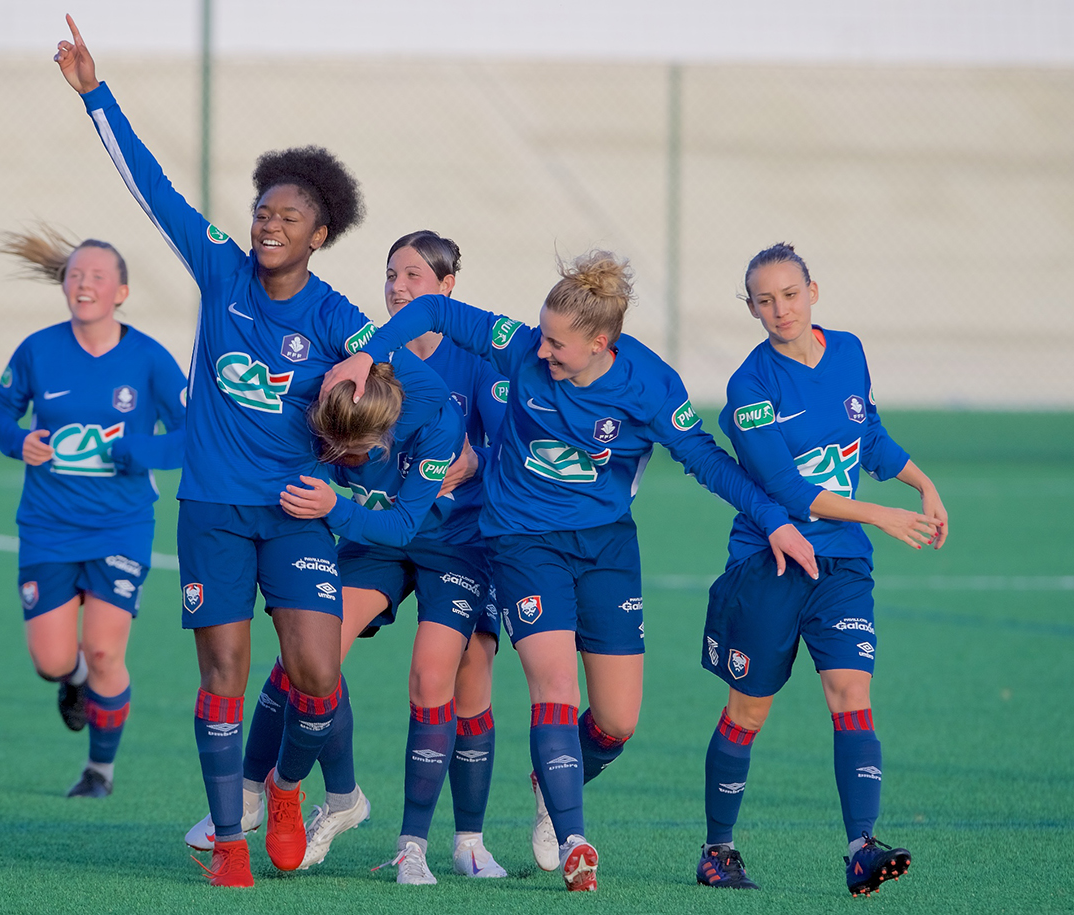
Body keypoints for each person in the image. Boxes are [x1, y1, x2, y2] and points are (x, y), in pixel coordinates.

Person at [54, 15, 441, 887]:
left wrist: (368, 360)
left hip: (297, 512)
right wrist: (94, 95)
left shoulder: (338, 313)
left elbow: (417, 387)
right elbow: (151, 189)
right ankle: (230, 838)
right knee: (223, 672)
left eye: (289, 218)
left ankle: (291, 785)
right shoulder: (223, 270)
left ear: (319, 235)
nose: (269, 224)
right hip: (214, 511)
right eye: (264, 211)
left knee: (316, 676)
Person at [323, 249, 819, 892]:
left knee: (616, 722)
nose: (543, 351)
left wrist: (775, 518)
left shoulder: (648, 386)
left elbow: (705, 458)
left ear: (601, 343)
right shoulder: (523, 349)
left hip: (607, 546)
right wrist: (371, 352)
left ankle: (549, 778)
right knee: (555, 687)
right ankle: (576, 835)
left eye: (558, 344)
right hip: (522, 542)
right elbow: (435, 307)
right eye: (542, 335)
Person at [187, 232, 510, 884]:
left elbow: (505, 452)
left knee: (449, 673)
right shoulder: (358, 350)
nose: (398, 287)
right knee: (314, 655)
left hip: (452, 541)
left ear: (447, 286)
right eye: (391, 273)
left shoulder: (470, 368)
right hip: (371, 536)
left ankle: (453, 839)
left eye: (414, 276)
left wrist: (474, 462)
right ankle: (311, 796)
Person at [693, 243, 947, 897]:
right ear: (750, 307)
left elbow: (872, 434)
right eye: (765, 299)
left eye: (790, 293)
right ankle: (717, 849)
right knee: (747, 712)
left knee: (851, 697)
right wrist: (881, 514)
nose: (780, 308)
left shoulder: (851, 352)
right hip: (771, 562)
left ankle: (862, 846)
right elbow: (787, 488)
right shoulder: (749, 387)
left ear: (813, 290)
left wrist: (922, 483)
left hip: (842, 565)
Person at [0, 226, 187, 799]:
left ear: (120, 291)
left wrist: (137, 452)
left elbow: (191, 434)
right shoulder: (38, 350)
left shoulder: (148, 358)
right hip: (47, 527)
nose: (84, 284)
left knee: (103, 650)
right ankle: (69, 682)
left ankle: (100, 771)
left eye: (97, 276)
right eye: (75, 275)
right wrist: (16, 439)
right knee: (53, 661)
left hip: (120, 526)